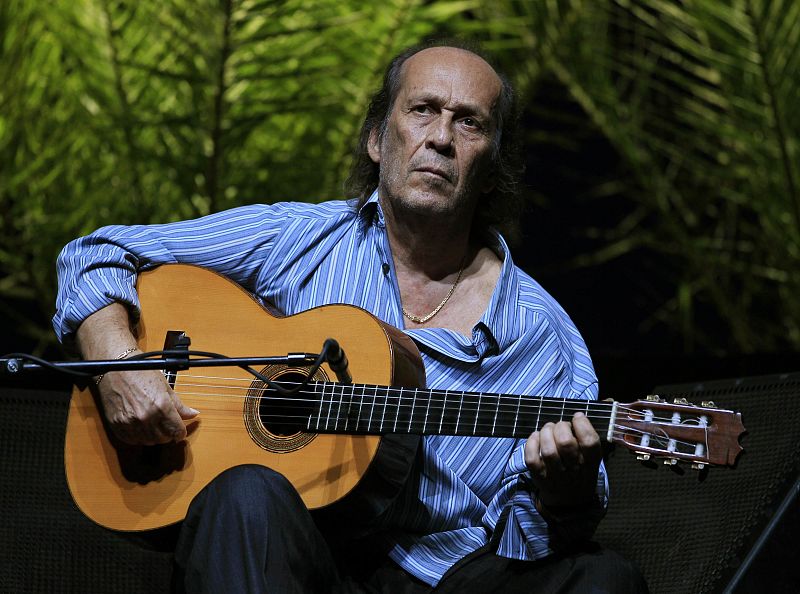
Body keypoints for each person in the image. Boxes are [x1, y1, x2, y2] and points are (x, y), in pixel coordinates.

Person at [54, 42, 646, 592]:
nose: (440, 137)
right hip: (296, 558)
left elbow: (529, 540)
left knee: (605, 579)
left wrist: (560, 496)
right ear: (376, 139)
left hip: (450, 575)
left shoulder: (542, 334)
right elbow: (96, 254)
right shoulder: (299, 238)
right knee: (245, 493)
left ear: (493, 167)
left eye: (469, 123)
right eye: (422, 110)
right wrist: (117, 364)